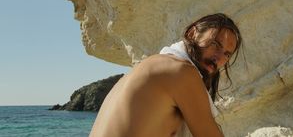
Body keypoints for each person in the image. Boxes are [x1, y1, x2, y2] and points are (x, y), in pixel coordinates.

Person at [89, 13, 243, 137]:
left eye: (227, 55)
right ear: (192, 33)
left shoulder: (151, 65)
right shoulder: (180, 71)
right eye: (215, 44)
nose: (219, 58)